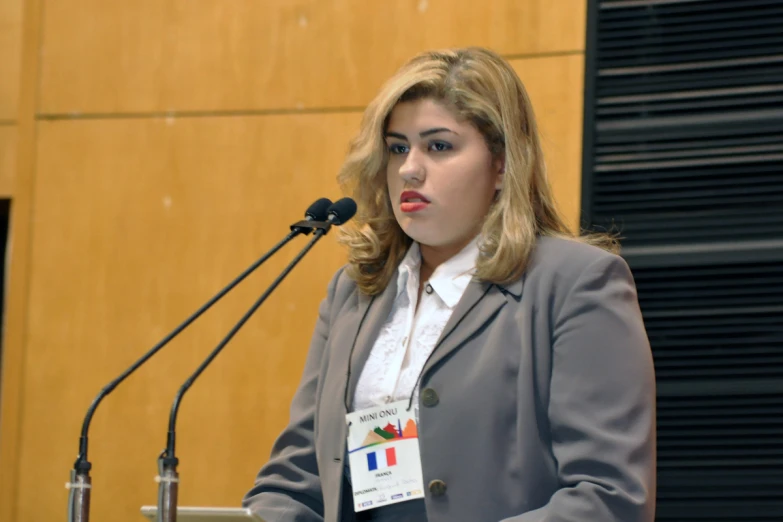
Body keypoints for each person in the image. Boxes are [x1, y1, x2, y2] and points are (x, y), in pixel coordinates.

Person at [243, 46, 656, 522]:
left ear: (501, 165)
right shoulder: (355, 291)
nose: (409, 169)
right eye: (398, 148)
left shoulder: (575, 284)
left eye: (438, 146)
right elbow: (297, 477)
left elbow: (610, 497)